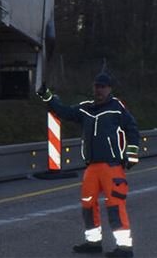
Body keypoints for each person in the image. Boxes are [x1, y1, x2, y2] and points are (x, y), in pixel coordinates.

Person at [38, 74, 140, 258]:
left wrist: (131, 156)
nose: (99, 90)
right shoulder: (86, 109)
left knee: (115, 205)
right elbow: (64, 111)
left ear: (109, 89)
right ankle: (93, 242)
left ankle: (124, 248)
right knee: (88, 204)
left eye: (102, 87)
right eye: (96, 86)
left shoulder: (117, 108)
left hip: (111, 165)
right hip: (91, 167)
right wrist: (47, 96)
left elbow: (132, 129)